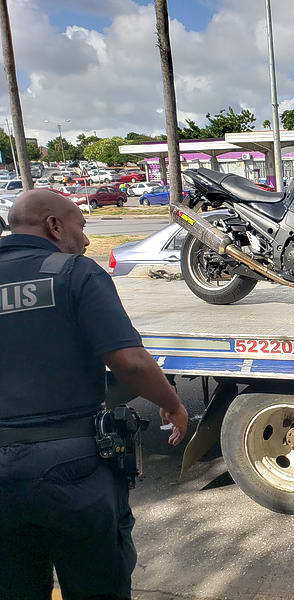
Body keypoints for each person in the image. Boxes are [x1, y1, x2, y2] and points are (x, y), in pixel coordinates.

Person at [0, 190, 189, 599]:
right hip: (71, 468)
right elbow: (130, 363)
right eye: (81, 227)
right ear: (54, 225)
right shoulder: (74, 273)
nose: (86, 240)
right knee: (98, 588)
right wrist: (172, 404)